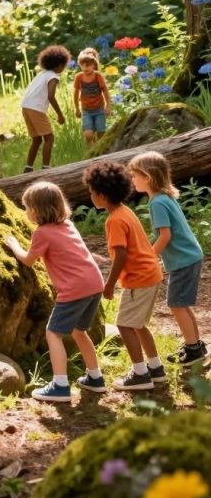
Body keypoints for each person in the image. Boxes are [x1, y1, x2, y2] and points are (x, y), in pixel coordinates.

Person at [5, 181, 105, 402]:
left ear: (37, 210)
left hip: (75, 289)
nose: (25, 211)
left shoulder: (42, 233)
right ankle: (95, 378)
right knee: (79, 331)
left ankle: (60, 385)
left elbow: (29, 261)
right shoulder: (68, 225)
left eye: (27, 207)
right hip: (95, 283)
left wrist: (14, 246)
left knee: (54, 333)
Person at [83, 160, 165, 391]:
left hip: (139, 278)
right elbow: (129, 250)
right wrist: (107, 260)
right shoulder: (124, 212)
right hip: (150, 272)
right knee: (138, 324)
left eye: (91, 192)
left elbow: (121, 255)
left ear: (101, 194)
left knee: (124, 324)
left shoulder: (114, 220)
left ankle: (140, 374)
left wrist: (109, 285)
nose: (90, 196)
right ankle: (155, 368)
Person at [128, 151, 206, 366]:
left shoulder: (157, 203)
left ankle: (193, 349)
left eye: (135, 175)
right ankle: (195, 345)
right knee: (181, 304)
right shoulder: (164, 197)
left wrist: (149, 258)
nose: (132, 179)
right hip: (188, 257)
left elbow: (165, 235)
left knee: (176, 304)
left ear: (148, 177)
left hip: (183, 260)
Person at [21, 45, 71, 172]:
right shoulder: (53, 76)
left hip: (26, 106)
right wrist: (60, 114)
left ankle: (28, 167)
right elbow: (51, 96)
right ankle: (46, 168)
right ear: (59, 65)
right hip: (36, 108)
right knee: (49, 138)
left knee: (37, 139)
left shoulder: (42, 74)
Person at [73, 47, 111, 146]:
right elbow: (76, 93)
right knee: (88, 134)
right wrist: (77, 108)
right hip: (86, 110)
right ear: (80, 65)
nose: (85, 68)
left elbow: (105, 90)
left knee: (101, 132)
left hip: (99, 109)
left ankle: (100, 150)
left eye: (88, 66)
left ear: (94, 65)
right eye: (83, 66)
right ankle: (90, 150)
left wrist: (108, 106)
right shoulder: (79, 77)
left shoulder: (98, 76)